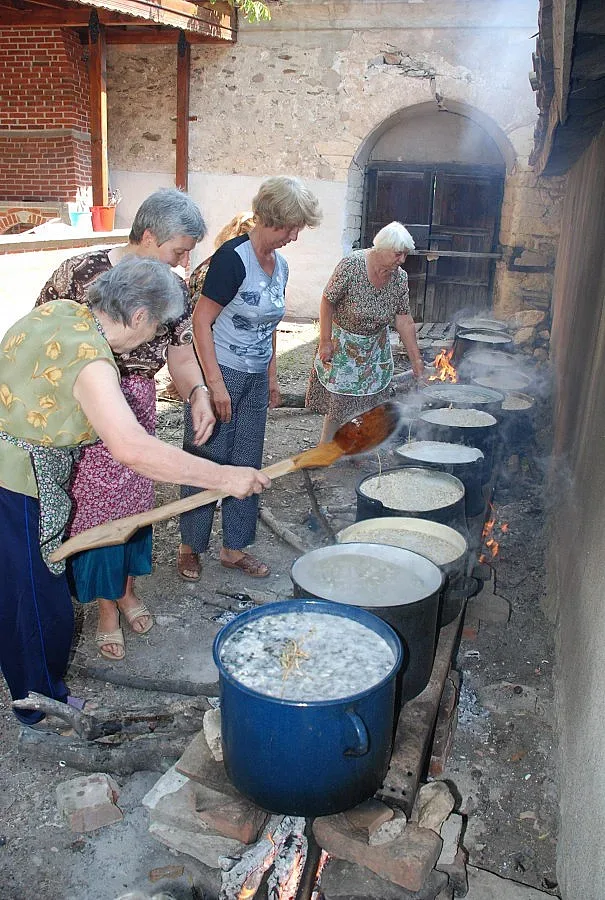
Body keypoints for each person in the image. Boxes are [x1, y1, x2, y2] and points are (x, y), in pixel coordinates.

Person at [0, 255, 269, 726]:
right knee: (40, 609)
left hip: (12, 469)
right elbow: (132, 448)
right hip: (20, 485)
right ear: (140, 317)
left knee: (17, 594)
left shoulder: (61, 312)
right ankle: (42, 709)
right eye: (155, 329)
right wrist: (226, 478)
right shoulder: (94, 361)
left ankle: (34, 695)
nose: (152, 341)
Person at [36, 188, 215, 661]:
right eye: (179, 248)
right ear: (150, 236)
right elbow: (44, 332)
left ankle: (126, 589)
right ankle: (107, 609)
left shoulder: (172, 285)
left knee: (136, 506)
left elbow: (179, 352)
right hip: (89, 409)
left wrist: (197, 391)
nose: (185, 259)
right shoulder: (82, 273)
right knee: (98, 513)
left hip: (140, 402)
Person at [177, 176, 322, 581]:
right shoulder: (232, 258)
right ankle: (191, 545)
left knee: (247, 463)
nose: (295, 236)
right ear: (274, 218)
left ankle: (234, 548)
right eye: (293, 227)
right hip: (220, 374)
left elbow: (271, 327)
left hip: (255, 378)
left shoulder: (281, 266)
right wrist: (214, 386)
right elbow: (201, 323)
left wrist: (272, 378)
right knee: (204, 460)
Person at [306, 221, 424, 443]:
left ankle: (356, 448)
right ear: (381, 249)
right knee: (339, 402)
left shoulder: (399, 278)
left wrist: (416, 360)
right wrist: (325, 340)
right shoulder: (352, 265)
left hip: (374, 348)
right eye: (398, 254)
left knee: (371, 403)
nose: (402, 261)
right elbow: (327, 301)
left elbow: (404, 320)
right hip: (345, 344)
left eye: (405, 255)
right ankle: (324, 449)